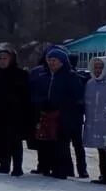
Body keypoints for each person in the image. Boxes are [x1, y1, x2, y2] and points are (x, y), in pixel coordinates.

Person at [29, 46, 86, 179]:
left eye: (55, 60)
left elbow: (77, 97)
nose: (51, 63)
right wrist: (41, 102)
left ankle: (64, 170)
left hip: (65, 115)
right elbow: (37, 92)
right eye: (50, 60)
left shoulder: (71, 77)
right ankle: (45, 166)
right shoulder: (44, 76)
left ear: (62, 62)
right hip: (46, 113)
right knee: (46, 141)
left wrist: (62, 105)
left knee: (62, 144)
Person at [0, 46, 32, 176]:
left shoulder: (20, 74)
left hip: (15, 114)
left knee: (15, 141)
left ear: (11, 59)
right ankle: (4, 165)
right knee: (0, 140)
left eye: (5, 58)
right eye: (0, 58)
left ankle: (17, 167)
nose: (2, 61)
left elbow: (26, 95)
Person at [82, 56, 106, 186]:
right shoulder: (91, 83)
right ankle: (104, 175)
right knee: (101, 150)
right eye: (95, 67)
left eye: (100, 67)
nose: (97, 70)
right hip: (96, 123)